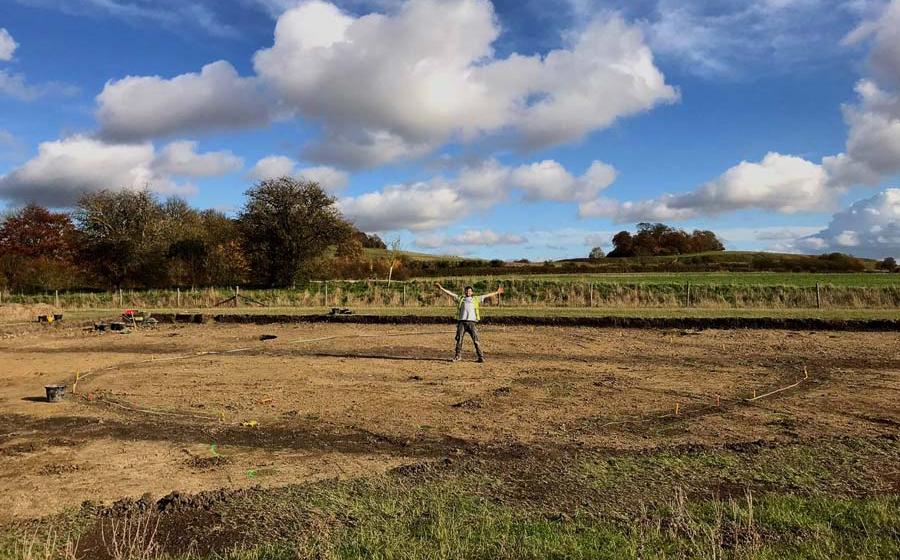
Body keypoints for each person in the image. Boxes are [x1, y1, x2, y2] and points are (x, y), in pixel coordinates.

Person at [436, 283, 504, 362]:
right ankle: (457, 356)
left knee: (476, 341)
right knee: (459, 340)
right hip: (462, 323)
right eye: (467, 291)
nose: (468, 292)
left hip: (472, 323)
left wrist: (496, 292)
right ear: (465, 292)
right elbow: (451, 294)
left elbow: (486, 295)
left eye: (470, 291)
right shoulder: (461, 298)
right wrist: (441, 288)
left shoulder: (476, 299)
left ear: (472, 292)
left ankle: (480, 357)